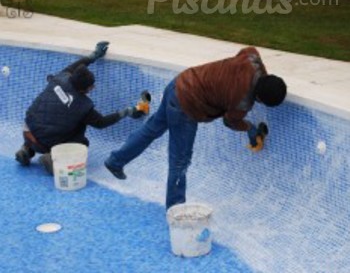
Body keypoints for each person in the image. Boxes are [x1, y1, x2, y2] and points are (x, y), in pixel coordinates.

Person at [104, 47, 287, 210]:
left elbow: (247, 49)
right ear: (260, 99)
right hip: (186, 106)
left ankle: (115, 161)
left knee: (152, 129)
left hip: (179, 83)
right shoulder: (243, 102)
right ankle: (175, 211)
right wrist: (250, 128)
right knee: (179, 161)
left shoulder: (252, 59)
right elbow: (230, 121)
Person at [15, 41, 146, 173]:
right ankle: (53, 158)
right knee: (81, 142)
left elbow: (76, 66)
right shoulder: (82, 106)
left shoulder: (61, 78)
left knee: (45, 119)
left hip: (27, 132)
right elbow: (101, 123)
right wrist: (128, 111)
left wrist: (93, 56)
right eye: (91, 86)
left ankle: (26, 150)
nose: (93, 87)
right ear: (84, 89)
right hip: (45, 144)